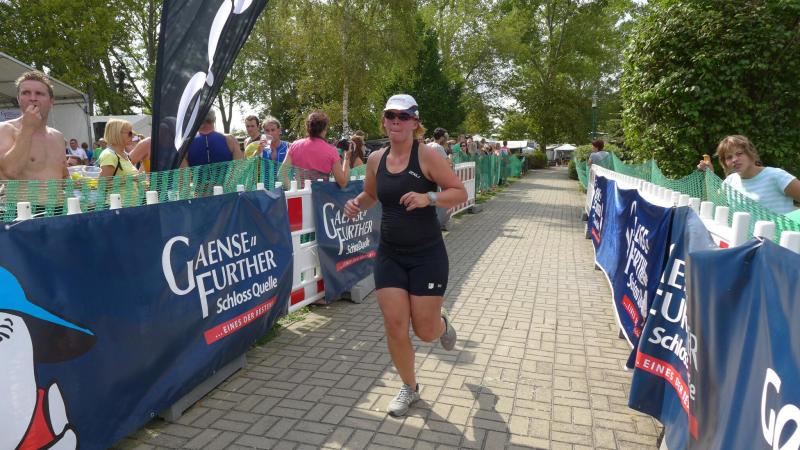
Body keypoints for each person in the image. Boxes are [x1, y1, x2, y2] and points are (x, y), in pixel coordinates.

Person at [343, 94, 467, 417]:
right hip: (390, 255)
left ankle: (441, 323)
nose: (396, 121)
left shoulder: (427, 156)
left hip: (427, 256)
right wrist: (356, 204)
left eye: (403, 116)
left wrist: (429, 198)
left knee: (425, 331)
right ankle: (409, 387)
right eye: (390, 116)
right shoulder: (376, 159)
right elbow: (371, 194)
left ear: (415, 122)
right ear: (384, 121)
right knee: (395, 325)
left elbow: (459, 192)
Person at [697, 135, 800, 215]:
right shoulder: (730, 181)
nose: (734, 159)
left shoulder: (776, 176)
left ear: (751, 153)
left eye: (739, 153)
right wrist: (709, 174)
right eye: (729, 157)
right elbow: (714, 204)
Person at [0, 71, 67, 180]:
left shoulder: (58, 136)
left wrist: (75, 181)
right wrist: (27, 128)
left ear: (51, 101)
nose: (32, 98)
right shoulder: (4, 129)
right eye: (26, 93)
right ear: (18, 99)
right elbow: (10, 171)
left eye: (39, 93)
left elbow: (63, 176)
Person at [280, 111, 351, 188]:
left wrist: (293, 190)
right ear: (324, 129)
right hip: (321, 194)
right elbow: (343, 183)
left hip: (299, 194)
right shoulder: (331, 150)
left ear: (307, 127)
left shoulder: (294, 145)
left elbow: (281, 174)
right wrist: (346, 158)